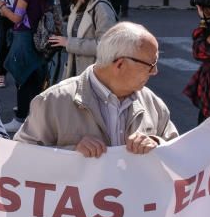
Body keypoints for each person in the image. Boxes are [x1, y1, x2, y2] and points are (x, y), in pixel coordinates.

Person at [15, 22, 178, 155]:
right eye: (151, 64)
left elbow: (178, 151)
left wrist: (157, 144)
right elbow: (20, 156)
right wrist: (71, 153)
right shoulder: (53, 102)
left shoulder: (153, 104)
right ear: (120, 64)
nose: (155, 71)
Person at [0, 0, 52, 132]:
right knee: (35, 78)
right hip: (39, 37)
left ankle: (21, 117)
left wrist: (1, 5)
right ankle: (35, 115)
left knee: (23, 78)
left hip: (25, 38)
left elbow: (17, 18)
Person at [48, 0, 117, 79]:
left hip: (97, 79)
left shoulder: (102, 9)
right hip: (77, 77)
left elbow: (107, 46)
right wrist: (59, 41)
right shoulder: (77, 7)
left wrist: (68, 42)